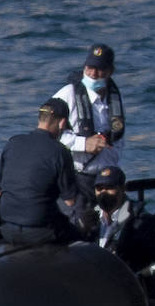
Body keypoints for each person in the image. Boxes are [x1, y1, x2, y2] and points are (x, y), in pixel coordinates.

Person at [0, 97, 84, 246]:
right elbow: (70, 201)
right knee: (81, 238)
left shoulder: (13, 143)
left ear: (41, 119)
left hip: (8, 230)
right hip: (41, 233)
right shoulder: (60, 152)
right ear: (62, 123)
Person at [53, 42, 126, 204]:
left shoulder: (114, 99)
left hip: (108, 178)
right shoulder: (67, 94)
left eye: (100, 69)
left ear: (110, 71)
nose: (93, 73)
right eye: (89, 68)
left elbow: (119, 137)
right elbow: (49, 134)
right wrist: (83, 143)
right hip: (79, 179)